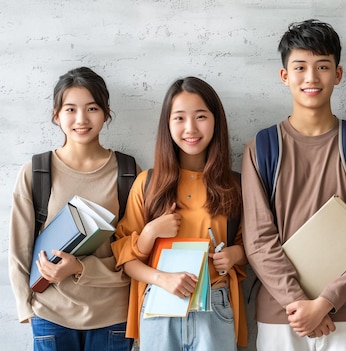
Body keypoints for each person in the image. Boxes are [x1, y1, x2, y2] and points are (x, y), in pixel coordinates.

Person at [241, 19, 346, 351]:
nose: (311, 77)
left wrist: (324, 303)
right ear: (284, 76)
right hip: (281, 316)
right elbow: (259, 241)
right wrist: (299, 303)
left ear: (338, 74)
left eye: (322, 66)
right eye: (300, 67)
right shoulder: (262, 147)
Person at [111, 77, 247, 350]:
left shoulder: (235, 185)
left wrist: (235, 255)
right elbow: (125, 259)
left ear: (216, 121)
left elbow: (253, 245)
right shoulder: (148, 184)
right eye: (179, 118)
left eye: (200, 117)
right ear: (167, 124)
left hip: (214, 305)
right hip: (160, 303)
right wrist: (151, 234)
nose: (191, 128)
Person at [8, 67, 137, 351]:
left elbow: (134, 251)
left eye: (92, 108)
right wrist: (25, 307)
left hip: (113, 315)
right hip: (51, 314)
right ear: (56, 115)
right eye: (70, 109)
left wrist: (80, 267)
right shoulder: (37, 171)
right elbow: (19, 248)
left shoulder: (128, 172)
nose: (81, 119)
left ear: (106, 113)